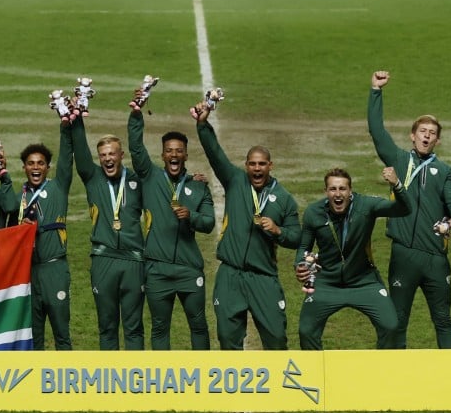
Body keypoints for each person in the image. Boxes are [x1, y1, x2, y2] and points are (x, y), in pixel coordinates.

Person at [367, 70, 451, 348]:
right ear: (412, 136)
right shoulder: (398, 159)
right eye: (422, 132)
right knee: (397, 319)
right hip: (404, 254)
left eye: (432, 134)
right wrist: (376, 91)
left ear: (438, 141)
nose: (426, 136)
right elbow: (376, 131)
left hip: (435, 257)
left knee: (443, 319)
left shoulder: (445, 171)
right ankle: (394, 373)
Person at [193, 101, 301, 350]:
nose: (256, 168)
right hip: (230, 274)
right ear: (246, 166)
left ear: (270, 166)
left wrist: (278, 231)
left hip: (263, 276)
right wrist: (202, 124)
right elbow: (215, 153)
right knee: (228, 340)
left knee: (276, 339)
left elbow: (297, 237)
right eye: (252, 164)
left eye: (262, 164)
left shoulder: (284, 198)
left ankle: (279, 388)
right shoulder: (235, 181)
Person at [128, 96, 214, 350]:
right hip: (157, 269)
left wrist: (192, 216)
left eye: (179, 151)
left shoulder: (198, 187)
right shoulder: (150, 176)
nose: (174, 154)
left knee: (198, 325)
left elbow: (208, 223)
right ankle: (161, 384)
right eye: (169, 150)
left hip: (189, 269)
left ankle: (204, 378)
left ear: (186, 155)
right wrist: (136, 114)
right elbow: (135, 147)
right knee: (159, 327)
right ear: (163, 154)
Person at [295, 167, 411, 350]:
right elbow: (304, 247)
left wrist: (396, 184)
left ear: (350, 191)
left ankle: (383, 374)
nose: (338, 194)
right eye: (333, 189)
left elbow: (404, 209)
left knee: (390, 326)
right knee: (306, 331)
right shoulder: (313, 212)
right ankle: (317, 376)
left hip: (363, 281)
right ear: (326, 192)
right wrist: (300, 265)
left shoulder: (366, 206)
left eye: (342, 189)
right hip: (327, 283)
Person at [69, 114, 145, 350]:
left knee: (134, 328)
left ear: (122, 155)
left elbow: (165, 182)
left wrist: (191, 179)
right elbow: (80, 150)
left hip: (134, 260)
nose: (108, 159)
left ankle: (136, 382)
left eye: (112, 154)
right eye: (103, 155)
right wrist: (75, 119)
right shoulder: (92, 177)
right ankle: (111, 383)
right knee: (107, 326)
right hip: (103, 259)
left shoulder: (137, 180)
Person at [17, 133, 74, 350]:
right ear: (24, 167)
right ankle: (35, 382)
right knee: (34, 336)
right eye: (30, 164)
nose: (35, 168)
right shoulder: (19, 197)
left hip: (54, 269)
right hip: (29, 272)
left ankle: (66, 382)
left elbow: (67, 159)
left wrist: (66, 124)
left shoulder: (58, 187)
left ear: (48, 167)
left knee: (61, 332)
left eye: (41, 163)